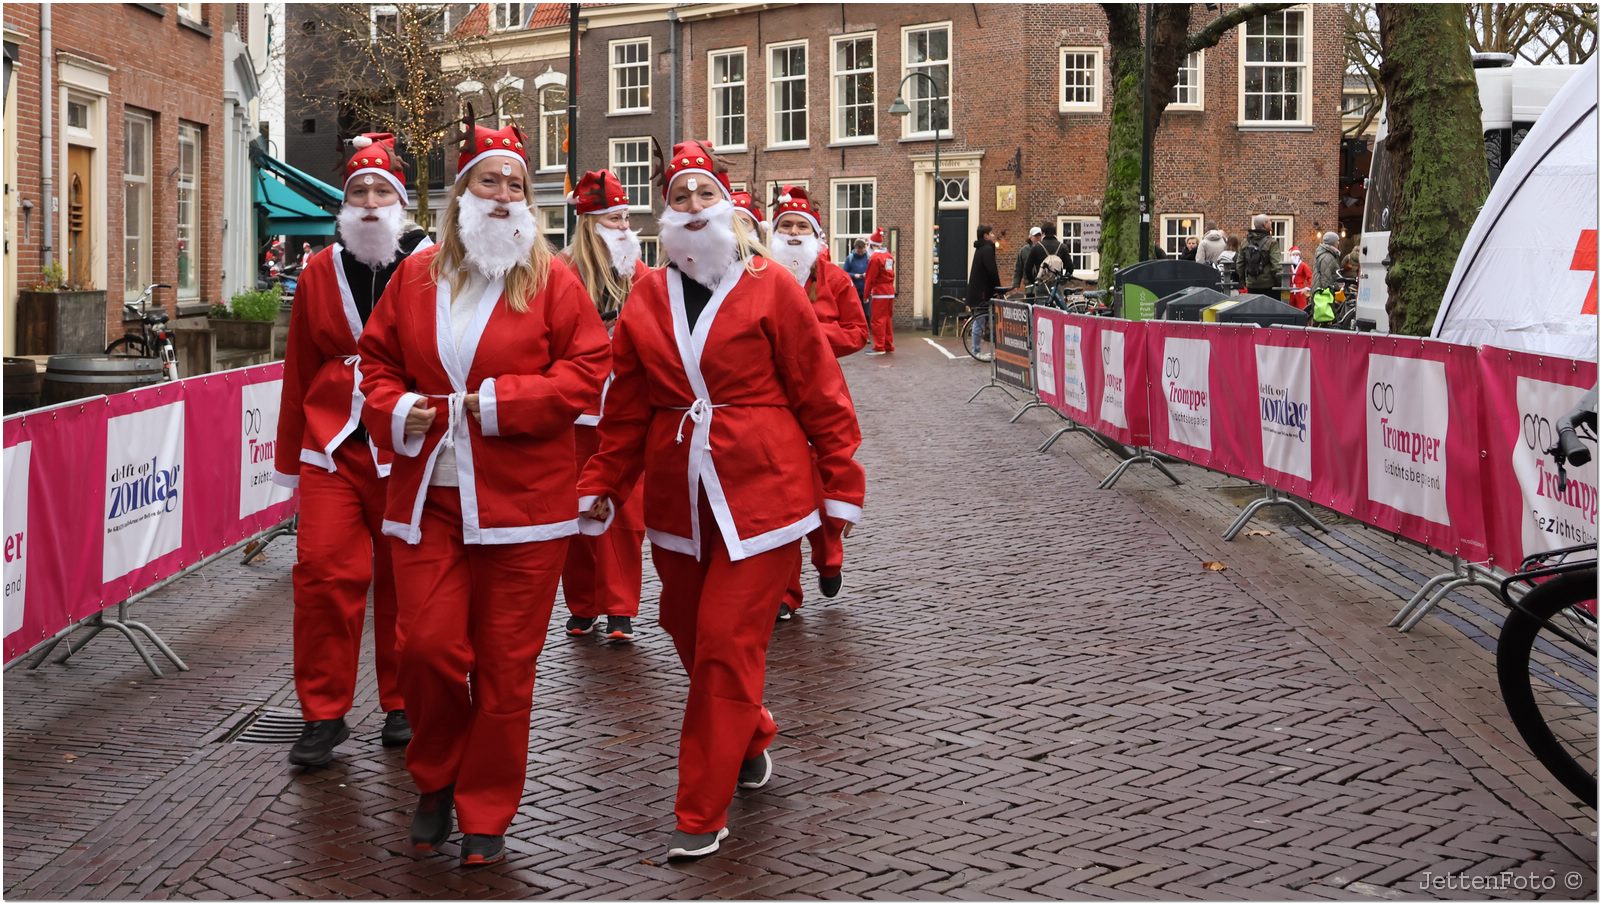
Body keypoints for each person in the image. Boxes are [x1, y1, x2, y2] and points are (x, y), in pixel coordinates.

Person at [577, 140, 864, 861]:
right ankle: (751, 731)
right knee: (684, 625)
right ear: (665, 212)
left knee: (729, 645)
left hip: (764, 492)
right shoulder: (646, 292)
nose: (695, 208)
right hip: (682, 495)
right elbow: (627, 406)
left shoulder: (773, 287)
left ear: (729, 206)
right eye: (681, 197)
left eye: (706, 195)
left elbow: (823, 397)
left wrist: (839, 495)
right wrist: (602, 484)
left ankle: (699, 809)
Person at [357, 119, 610, 867]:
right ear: (461, 192)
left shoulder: (553, 278)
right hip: (430, 496)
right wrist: (399, 410)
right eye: (489, 181)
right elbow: (376, 364)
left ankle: (487, 809)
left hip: (526, 508)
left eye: (517, 185)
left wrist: (499, 404)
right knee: (427, 648)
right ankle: (435, 775)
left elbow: (585, 371)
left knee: (506, 669)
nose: (503, 196)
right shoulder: (416, 275)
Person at [274, 132, 432, 769]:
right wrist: (287, 462)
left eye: (380, 191)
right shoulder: (318, 270)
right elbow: (298, 367)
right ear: (344, 205)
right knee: (323, 573)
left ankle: (401, 702)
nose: (369, 202)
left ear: (398, 200)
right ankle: (323, 713)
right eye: (358, 192)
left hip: (409, 443)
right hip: (332, 445)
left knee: (406, 580)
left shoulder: (430, 264)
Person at [768, 184, 868, 621]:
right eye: (785, 225)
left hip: (822, 396)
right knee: (781, 497)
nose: (792, 233)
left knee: (826, 487)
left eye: (800, 226)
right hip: (773, 402)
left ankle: (829, 554)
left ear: (814, 234)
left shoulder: (836, 280)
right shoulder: (757, 275)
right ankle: (786, 594)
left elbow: (857, 333)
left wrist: (808, 332)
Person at [559, 169, 650, 644]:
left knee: (625, 510)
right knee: (574, 507)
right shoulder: (561, 273)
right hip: (575, 412)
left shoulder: (641, 274)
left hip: (625, 410)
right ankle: (583, 602)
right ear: (591, 224)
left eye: (626, 218)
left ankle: (620, 607)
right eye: (615, 219)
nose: (624, 228)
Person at [966, 224, 1003, 353]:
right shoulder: (986, 249)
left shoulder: (983, 248)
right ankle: (976, 350)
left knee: (983, 319)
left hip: (980, 291)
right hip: (981, 292)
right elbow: (992, 270)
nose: (993, 235)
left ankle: (980, 349)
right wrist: (999, 288)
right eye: (991, 233)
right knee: (980, 321)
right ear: (986, 236)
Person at [865, 227, 897, 354]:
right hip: (890, 291)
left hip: (880, 292)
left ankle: (879, 346)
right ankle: (888, 344)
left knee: (877, 319)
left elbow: (870, 278)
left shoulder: (875, 258)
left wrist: (866, 294)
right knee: (887, 319)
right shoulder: (888, 256)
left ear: (872, 245)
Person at [1240, 213, 1283, 296]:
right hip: (1269, 285)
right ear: (1265, 224)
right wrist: (1279, 283)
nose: (1271, 222)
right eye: (1270, 221)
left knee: (1254, 308)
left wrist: (1244, 281)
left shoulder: (1245, 242)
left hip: (1251, 285)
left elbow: (1240, 264)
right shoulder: (1272, 242)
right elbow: (1277, 266)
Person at [1012, 225, 1041, 293]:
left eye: (1039, 236)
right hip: (1029, 285)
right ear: (1030, 237)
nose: (1038, 238)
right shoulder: (1024, 251)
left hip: (1041, 284)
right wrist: (1016, 284)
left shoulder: (1043, 249)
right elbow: (1018, 268)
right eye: (1035, 236)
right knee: (1029, 301)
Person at [1287, 245, 1312, 310]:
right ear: (1291, 255)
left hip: (1300, 291)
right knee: (1289, 309)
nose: (1295, 256)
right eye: (1293, 254)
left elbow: (1310, 277)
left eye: (1297, 254)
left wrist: (1307, 288)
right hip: (1290, 291)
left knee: (1302, 309)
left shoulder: (1303, 265)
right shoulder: (1288, 266)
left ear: (1299, 256)